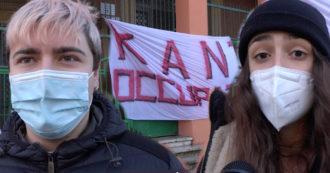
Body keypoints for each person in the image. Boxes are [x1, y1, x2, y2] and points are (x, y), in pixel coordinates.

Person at [0, 0, 185, 172]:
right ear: (10, 73)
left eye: (68, 58)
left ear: (95, 74)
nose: (45, 77)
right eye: (26, 59)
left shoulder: (157, 165)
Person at [198, 0, 330, 172]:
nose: (277, 68)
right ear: (247, 73)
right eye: (262, 55)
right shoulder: (223, 141)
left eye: (298, 53)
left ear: (321, 68)